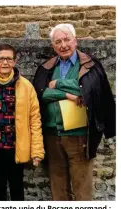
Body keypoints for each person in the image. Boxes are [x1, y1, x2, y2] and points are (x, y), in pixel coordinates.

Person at [32, 23, 116, 200]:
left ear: (75, 41)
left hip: (80, 136)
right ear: (53, 46)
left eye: (67, 39)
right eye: (58, 42)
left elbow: (87, 89)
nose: (63, 45)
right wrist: (68, 95)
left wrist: (58, 84)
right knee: (58, 186)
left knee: (82, 188)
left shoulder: (90, 65)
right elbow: (40, 93)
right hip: (52, 135)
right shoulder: (47, 67)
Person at [0, 44, 44, 201]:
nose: (5, 63)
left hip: (17, 147)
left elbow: (35, 120)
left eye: (9, 59)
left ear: (15, 61)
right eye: (1, 59)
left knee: (17, 188)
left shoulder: (26, 86)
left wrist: (37, 151)